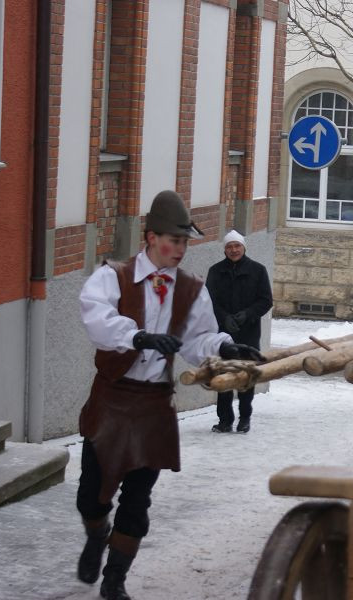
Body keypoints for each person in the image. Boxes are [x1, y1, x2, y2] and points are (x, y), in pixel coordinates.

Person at [76, 190, 263, 600]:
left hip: (153, 406)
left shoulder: (193, 289)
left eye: (184, 242)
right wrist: (137, 336)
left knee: (137, 500)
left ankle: (115, 582)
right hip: (111, 399)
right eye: (173, 241)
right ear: (150, 237)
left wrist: (225, 348)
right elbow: (97, 319)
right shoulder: (113, 276)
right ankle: (95, 534)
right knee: (92, 494)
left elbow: (199, 340)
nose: (179, 249)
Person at [206, 230, 273, 433]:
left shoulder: (258, 270)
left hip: (248, 333)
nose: (233, 250)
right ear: (224, 249)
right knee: (223, 373)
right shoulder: (216, 271)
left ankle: (245, 417)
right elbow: (208, 301)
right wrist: (224, 318)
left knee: (246, 377)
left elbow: (265, 301)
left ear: (244, 247)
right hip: (224, 333)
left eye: (237, 246)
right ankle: (225, 419)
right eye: (229, 247)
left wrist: (247, 315)